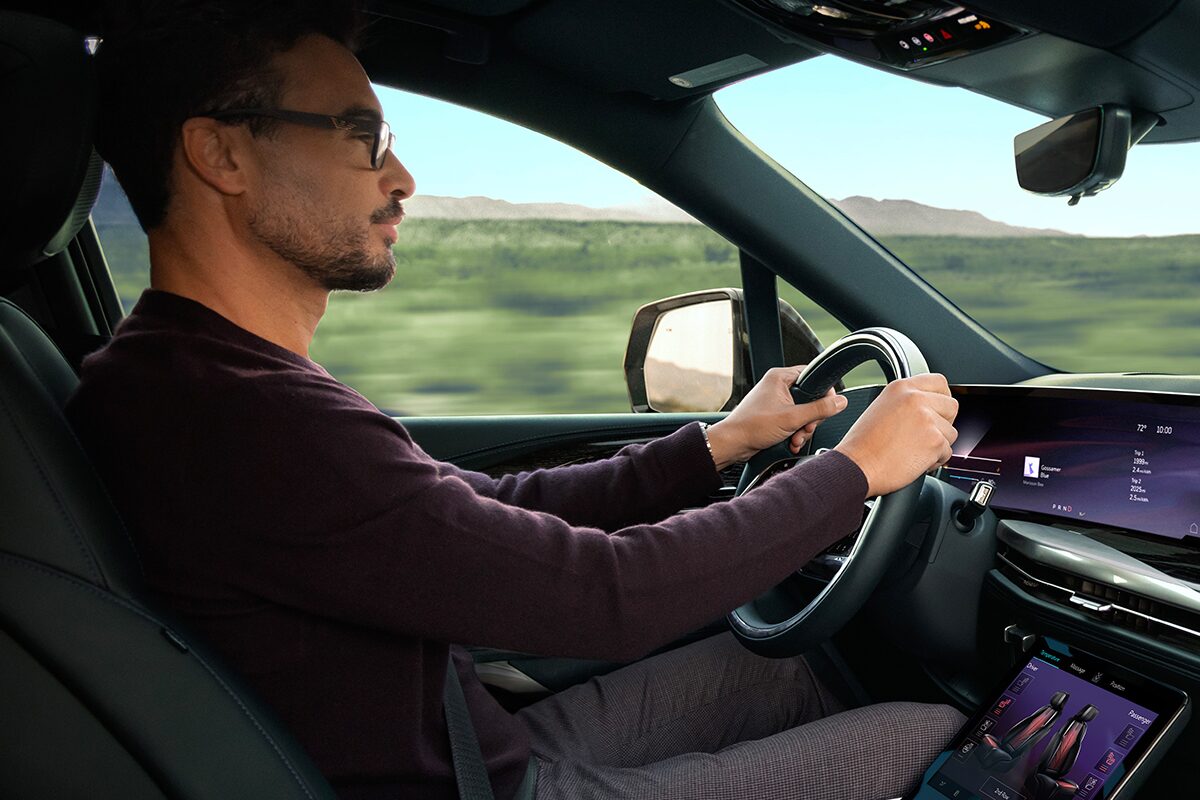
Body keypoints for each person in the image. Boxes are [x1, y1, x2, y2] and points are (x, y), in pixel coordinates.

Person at [68, 2, 965, 798]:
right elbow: (608, 598)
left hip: (467, 745)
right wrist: (853, 471)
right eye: (362, 136)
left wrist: (718, 447)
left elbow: (482, 516)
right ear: (220, 152)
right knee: (937, 740)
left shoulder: (186, 377)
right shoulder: (237, 419)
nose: (402, 178)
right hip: (474, 783)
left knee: (794, 670)